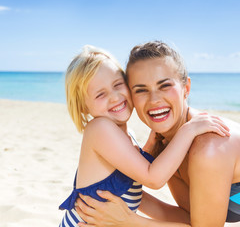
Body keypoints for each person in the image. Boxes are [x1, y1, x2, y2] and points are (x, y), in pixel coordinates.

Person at [58, 44, 230, 227]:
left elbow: (137, 186)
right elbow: (153, 178)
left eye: (118, 85)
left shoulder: (127, 136)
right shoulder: (99, 128)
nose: (115, 97)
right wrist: (187, 130)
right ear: (83, 106)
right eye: (101, 94)